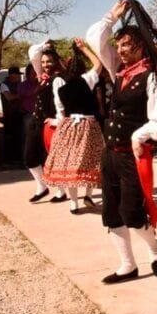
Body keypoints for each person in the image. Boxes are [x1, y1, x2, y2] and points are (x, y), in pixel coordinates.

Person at [86, 0, 157, 284]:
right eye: (120, 45)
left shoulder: (152, 77)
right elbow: (95, 39)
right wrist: (111, 16)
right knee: (111, 213)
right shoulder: (118, 72)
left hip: (132, 156)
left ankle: (154, 248)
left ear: (142, 46)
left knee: (133, 214)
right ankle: (127, 265)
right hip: (110, 154)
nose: (122, 50)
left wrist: (140, 135)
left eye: (128, 45)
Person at [43, 39, 104, 214]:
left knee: (69, 162)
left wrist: (57, 123)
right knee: (92, 160)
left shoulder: (58, 82)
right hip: (89, 124)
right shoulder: (87, 79)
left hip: (70, 124)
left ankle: (74, 202)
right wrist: (85, 48)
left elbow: (60, 108)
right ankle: (88, 196)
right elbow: (98, 64)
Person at [25, 41, 67, 203]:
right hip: (35, 122)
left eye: (49, 61)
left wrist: (58, 121)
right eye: (43, 62)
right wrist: (43, 45)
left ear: (56, 61)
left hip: (49, 124)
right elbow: (33, 51)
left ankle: (61, 191)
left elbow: (60, 104)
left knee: (52, 159)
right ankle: (42, 186)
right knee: (29, 156)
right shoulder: (41, 76)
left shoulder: (59, 79)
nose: (45, 65)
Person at [0, 67, 24, 165]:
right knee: (10, 136)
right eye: (16, 74)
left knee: (18, 136)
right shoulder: (4, 85)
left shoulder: (19, 84)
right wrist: (22, 95)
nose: (18, 76)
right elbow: (9, 97)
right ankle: (9, 159)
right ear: (11, 75)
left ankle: (18, 158)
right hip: (10, 114)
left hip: (18, 113)